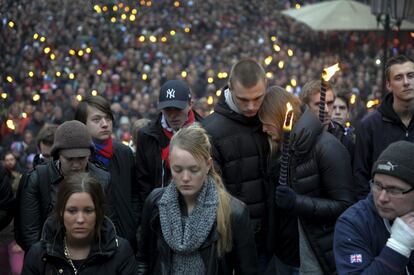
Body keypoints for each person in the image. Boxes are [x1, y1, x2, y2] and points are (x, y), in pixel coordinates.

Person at [137, 124, 258, 274]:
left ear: (208, 165)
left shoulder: (234, 212)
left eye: (194, 169)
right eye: (177, 169)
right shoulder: (156, 203)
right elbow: (143, 261)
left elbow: (247, 270)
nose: (185, 178)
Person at [258, 86, 354, 274]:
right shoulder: (284, 149)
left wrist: (296, 202)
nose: (263, 128)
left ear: (279, 116)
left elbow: (345, 205)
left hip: (317, 255)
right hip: (287, 255)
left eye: (265, 122)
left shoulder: (327, 147)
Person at [202, 59, 270, 270]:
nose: (251, 106)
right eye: (243, 99)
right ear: (230, 89)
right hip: (230, 241)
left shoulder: (272, 119)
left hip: (271, 239)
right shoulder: (209, 130)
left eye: (258, 98)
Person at [15, 120, 110, 252]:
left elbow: (107, 226)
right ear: (58, 156)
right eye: (70, 159)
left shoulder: (102, 179)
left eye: (82, 158)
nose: (76, 165)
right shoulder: (37, 180)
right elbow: (29, 235)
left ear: (89, 155)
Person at [22, 172, 138, 274]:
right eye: (72, 211)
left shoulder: (120, 252)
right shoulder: (39, 255)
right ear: (61, 212)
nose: (80, 219)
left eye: (88, 211)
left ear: (98, 212)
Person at [334, 141, 414, 274]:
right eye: (377, 185)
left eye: (394, 190)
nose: (382, 198)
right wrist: (398, 246)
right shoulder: (353, 223)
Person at [75, 95, 139, 251]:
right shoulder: (77, 159)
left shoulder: (124, 153)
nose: (104, 124)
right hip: (92, 244)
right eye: (96, 120)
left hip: (126, 240)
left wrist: (134, 223)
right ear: (82, 124)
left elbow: (135, 195)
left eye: (108, 118)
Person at [135, 79, 203, 221]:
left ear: (190, 105)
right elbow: (142, 183)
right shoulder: (146, 136)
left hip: (198, 213)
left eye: (178, 109)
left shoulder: (206, 132)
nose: (173, 115)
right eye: (167, 110)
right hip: (159, 215)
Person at [353, 55, 414, 199]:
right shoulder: (369, 126)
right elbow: (360, 178)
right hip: (381, 211)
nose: (406, 82)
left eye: (411, 76)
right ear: (388, 85)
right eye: (399, 78)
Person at [299, 80, 355, 160]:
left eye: (330, 103)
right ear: (305, 107)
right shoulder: (296, 139)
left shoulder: (345, 139)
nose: (326, 110)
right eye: (319, 104)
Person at [0, 151, 24, 275]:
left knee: (17, 270)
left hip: (13, 234)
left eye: (12, 159)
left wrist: (21, 239)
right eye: (7, 160)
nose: (10, 162)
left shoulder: (20, 178)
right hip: (2, 235)